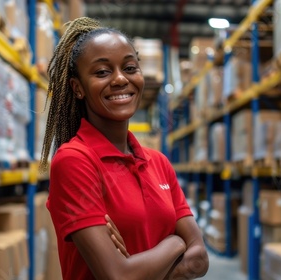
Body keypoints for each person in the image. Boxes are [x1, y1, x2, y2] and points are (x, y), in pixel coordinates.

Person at [40, 17, 209, 280]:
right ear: (78, 88)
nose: (120, 79)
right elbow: (118, 276)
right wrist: (175, 243)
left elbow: (200, 259)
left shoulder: (159, 163)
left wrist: (142, 267)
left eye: (130, 67)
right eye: (102, 72)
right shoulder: (74, 161)